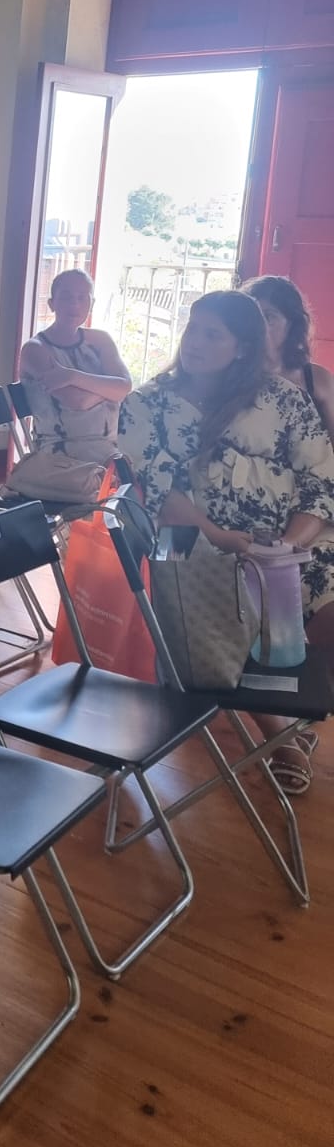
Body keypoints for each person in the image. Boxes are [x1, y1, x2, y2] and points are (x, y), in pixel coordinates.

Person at [119, 292, 334, 792]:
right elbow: (157, 489)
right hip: (184, 536)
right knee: (218, 603)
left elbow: (321, 475)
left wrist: (288, 545)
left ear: (242, 348)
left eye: (212, 334)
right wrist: (219, 536)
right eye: (192, 329)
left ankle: (290, 697)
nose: (194, 342)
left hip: (288, 541)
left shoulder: (282, 399)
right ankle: (279, 732)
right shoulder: (147, 404)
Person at [4, 269, 133, 503]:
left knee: (152, 475)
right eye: (66, 297)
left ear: (92, 303)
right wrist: (108, 389)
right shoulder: (35, 349)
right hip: (62, 456)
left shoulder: (100, 340)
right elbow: (77, 401)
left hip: (108, 448)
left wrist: (72, 376)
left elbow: (125, 387)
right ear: (52, 303)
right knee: (126, 485)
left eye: (83, 297)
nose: (75, 304)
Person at [243, 276, 334, 438]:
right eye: (253, 317)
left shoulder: (317, 379)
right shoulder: (231, 373)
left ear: (292, 324)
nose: (259, 326)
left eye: (269, 317)